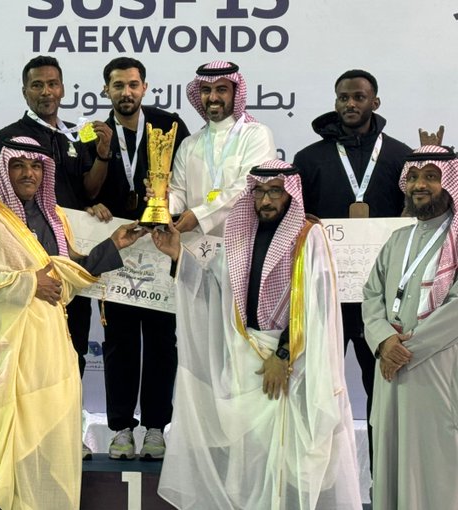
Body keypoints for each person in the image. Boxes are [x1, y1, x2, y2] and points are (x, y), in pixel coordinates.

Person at [0, 136, 145, 509]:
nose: (29, 173)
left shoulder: (55, 216)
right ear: (4, 169)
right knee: (0, 445)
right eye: (19, 165)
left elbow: (67, 275)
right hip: (3, 352)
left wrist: (114, 245)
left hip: (50, 346)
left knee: (45, 438)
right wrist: (26, 283)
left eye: (36, 166)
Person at [152, 160, 361, 509]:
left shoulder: (309, 237)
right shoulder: (240, 234)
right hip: (244, 360)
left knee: (287, 466)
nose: (265, 200)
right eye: (259, 191)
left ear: (290, 194)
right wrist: (178, 254)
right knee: (250, 462)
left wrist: (283, 356)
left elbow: (316, 307)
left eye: (275, 192)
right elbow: (219, 292)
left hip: (291, 367)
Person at [0, 55, 114, 458]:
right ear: (25, 91)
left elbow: (88, 191)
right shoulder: (10, 137)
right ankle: (25, 436)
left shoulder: (75, 136)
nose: (46, 92)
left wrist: (103, 155)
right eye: (37, 85)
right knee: (25, 358)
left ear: (62, 88)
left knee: (72, 350)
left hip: (69, 263)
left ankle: (67, 433)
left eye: (52, 84)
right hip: (26, 267)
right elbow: (2, 201)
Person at [293, 69, 411, 471]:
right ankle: (314, 481)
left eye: (359, 97)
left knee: (382, 390)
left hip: (381, 301)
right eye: (343, 97)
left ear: (374, 102)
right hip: (325, 294)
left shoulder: (400, 158)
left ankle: (384, 480)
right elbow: (295, 222)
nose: (350, 104)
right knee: (316, 390)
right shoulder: (308, 159)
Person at [90, 57, 189, 460]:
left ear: (145, 87)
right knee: (119, 342)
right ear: (106, 90)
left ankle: (155, 428)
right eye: (118, 85)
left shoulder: (169, 127)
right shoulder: (95, 134)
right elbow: (85, 188)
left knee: (163, 341)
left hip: (161, 247)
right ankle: (120, 428)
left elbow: (185, 182)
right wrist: (93, 203)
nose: (126, 92)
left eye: (133, 84)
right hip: (120, 251)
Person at [362, 145, 458, 510]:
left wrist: (405, 351)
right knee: (391, 459)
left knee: (434, 461)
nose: (420, 185)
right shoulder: (397, 239)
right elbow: (372, 295)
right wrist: (384, 341)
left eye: (431, 177)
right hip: (390, 369)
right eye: (414, 177)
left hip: (437, 369)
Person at [168, 60, 276, 237]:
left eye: (221, 90)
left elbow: (247, 186)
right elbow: (179, 194)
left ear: (235, 93)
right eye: (206, 90)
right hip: (194, 243)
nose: (213, 98)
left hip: (242, 241)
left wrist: (200, 215)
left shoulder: (256, 135)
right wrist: (162, 203)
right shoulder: (189, 144)